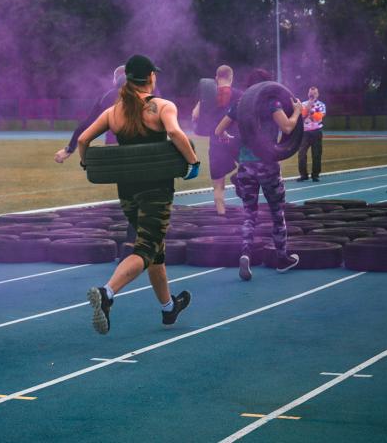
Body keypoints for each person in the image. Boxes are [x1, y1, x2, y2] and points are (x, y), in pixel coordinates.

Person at [77, 54, 198, 334]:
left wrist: (85, 162)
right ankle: (107, 293)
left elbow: (84, 140)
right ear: (151, 77)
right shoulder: (163, 106)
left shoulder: (114, 112)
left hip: (127, 191)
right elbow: (177, 135)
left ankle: (169, 309)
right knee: (145, 248)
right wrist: (193, 163)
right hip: (157, 190)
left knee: (155, 250)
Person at [214, 69, 301, 281]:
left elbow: (218, 131)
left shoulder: (240, 104)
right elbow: (288, 128)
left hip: (245, 167)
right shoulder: (272, 103)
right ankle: (282, 258)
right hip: (268, 165)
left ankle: (245, 254)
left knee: (249, 213)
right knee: (277, 212)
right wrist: (298, 111)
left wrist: (229, 137)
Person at [190, 65, 241, 215]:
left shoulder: (208, 96)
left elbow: (195, 116)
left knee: (218, 187)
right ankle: (239, 180)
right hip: (235, 140)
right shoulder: (239, 94)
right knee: (250, 170)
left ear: (216, 78)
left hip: (216, 143)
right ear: (231, 77)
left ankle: (222, 216)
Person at [54, 65, 125, 163]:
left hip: (115, 146)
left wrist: (69, 149)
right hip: (135, 146)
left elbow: (87, 125)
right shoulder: (143, 97)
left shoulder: (106, 98)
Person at [297, 86, 326, 182]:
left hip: (316, 132)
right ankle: (303, 175)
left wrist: (310, 111)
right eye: (310, 93)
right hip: (305, 132)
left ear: (317, 94)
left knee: (316, 154)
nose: (312, 95)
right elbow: (302, 115)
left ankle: (315, 175)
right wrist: (309, 107)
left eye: (314, 93)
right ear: (308, 94)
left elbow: (318, 118)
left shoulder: (321, 105)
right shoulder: (303, 104)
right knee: (301, 154)